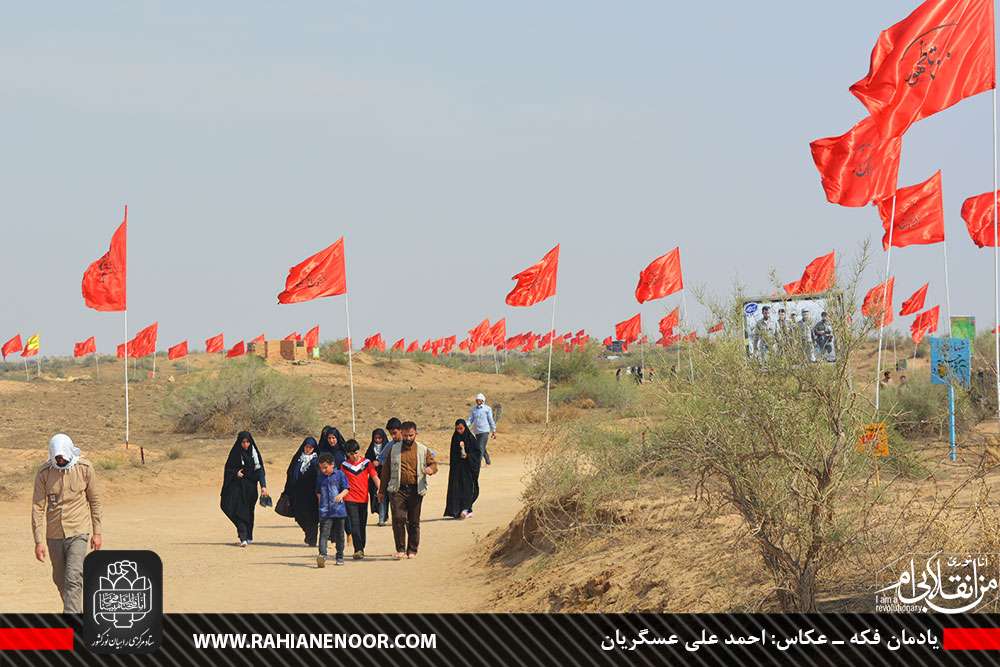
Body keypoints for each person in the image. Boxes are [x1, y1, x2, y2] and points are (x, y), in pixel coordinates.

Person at [31, 434, 103, 613]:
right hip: (54, 535)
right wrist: (38, 541)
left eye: (63, 456)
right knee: (60, 579)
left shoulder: (85, 468)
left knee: (73, 577)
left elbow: (95, 501)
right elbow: (37, 507)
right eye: (57, 457)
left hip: (78, 531)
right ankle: (76, 609)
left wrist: (97, 532)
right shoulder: (44, 473)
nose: (60, 460)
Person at [377, 421, 438, 559]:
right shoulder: (394, 449)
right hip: (397, 490)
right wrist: (381, 491)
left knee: (413, 521)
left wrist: (430, 469)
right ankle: (400, 549)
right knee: (398, 518)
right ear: (401, 434)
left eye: (411, 435)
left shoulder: (422, 449)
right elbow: (385, 471)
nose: (408, 438)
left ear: (416, 434)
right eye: (405, 435)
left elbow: (433, 464)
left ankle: (412, 550)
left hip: (416, 490)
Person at [220, 431, 268, 547]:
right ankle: (243, 536)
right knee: (233, 509)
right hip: (237, 487)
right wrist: (236, 473)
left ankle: (248, 535)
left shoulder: (254, 454)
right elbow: (228, 469)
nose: (245, 444)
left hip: (251, 489)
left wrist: (263, 486)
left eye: (247, 442)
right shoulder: (235, 453)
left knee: (249, 512)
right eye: (243, 442)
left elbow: (260, 471)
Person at [340, 440, 379, 559]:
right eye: (351, 454)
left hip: (363, 499)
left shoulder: (367, 463)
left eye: (356, 452)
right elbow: (340, 482)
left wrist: (380, 490)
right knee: (354, 524)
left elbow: (374, 477)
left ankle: (362, 547)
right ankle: (358, 549)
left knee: (362, 524)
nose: (354, 456)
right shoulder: (344, 466)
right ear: (347, 454)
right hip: (350, 498)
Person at [282, 436, 319, 546]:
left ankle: (312, 538)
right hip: (297, 493)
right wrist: (287, 490)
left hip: (311, 494)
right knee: (299, 516)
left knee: (312, 517)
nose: (308, 449)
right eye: (306, 447)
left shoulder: (316, 460)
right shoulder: (297, 458)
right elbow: (290, 474)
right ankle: (308, 533)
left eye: (311, 447)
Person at [315, 453, 349, 567]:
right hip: (325, 511)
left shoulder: (340, 474)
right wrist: (320, 507)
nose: (323, 470)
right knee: (324, 534)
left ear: (332, 465)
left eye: (325, 467)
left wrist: (340, 495)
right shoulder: (320, 477)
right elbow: (318, 493)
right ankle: (322, 555)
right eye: (321, 468)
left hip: (339, 510)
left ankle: (340, 556)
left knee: (340, 534)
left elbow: (346, 489)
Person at [444, 419, 481, 519]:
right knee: (457, 489)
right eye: (457, 429)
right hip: (457, 469)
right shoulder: (455, 437)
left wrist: (468, 456)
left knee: (467, 489)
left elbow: (477, 453)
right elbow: (453, 454)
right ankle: (456, 511)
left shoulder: (470, 438)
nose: (459, 431)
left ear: (465, 427)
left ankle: (467, 509)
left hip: (468, 469)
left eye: (461, 428)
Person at [365, 428, 390, 526]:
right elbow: (367, 459)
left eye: (380, 438)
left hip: (386, 475)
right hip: (374, 476)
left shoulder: (388, 447)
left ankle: (383, 518)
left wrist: (380, 462)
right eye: (376, 438)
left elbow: (390, 459)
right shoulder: (371, 448)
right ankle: (381, 516)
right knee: (376, 496)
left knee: (385, 496)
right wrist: (372, 463)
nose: (378, 440)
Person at [467, 394, 496, 466]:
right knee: (481, 447)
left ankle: (477, 463)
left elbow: (490, 420)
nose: (478, 401)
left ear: (483, 400)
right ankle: (488, 461)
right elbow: (470, 420)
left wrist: (493, 430)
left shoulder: (487, 409)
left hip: (485, 431)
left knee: (480, 447)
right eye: (477, 400)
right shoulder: (474, 409)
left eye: (479, 400)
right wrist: (465, 426)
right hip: (477, 431)